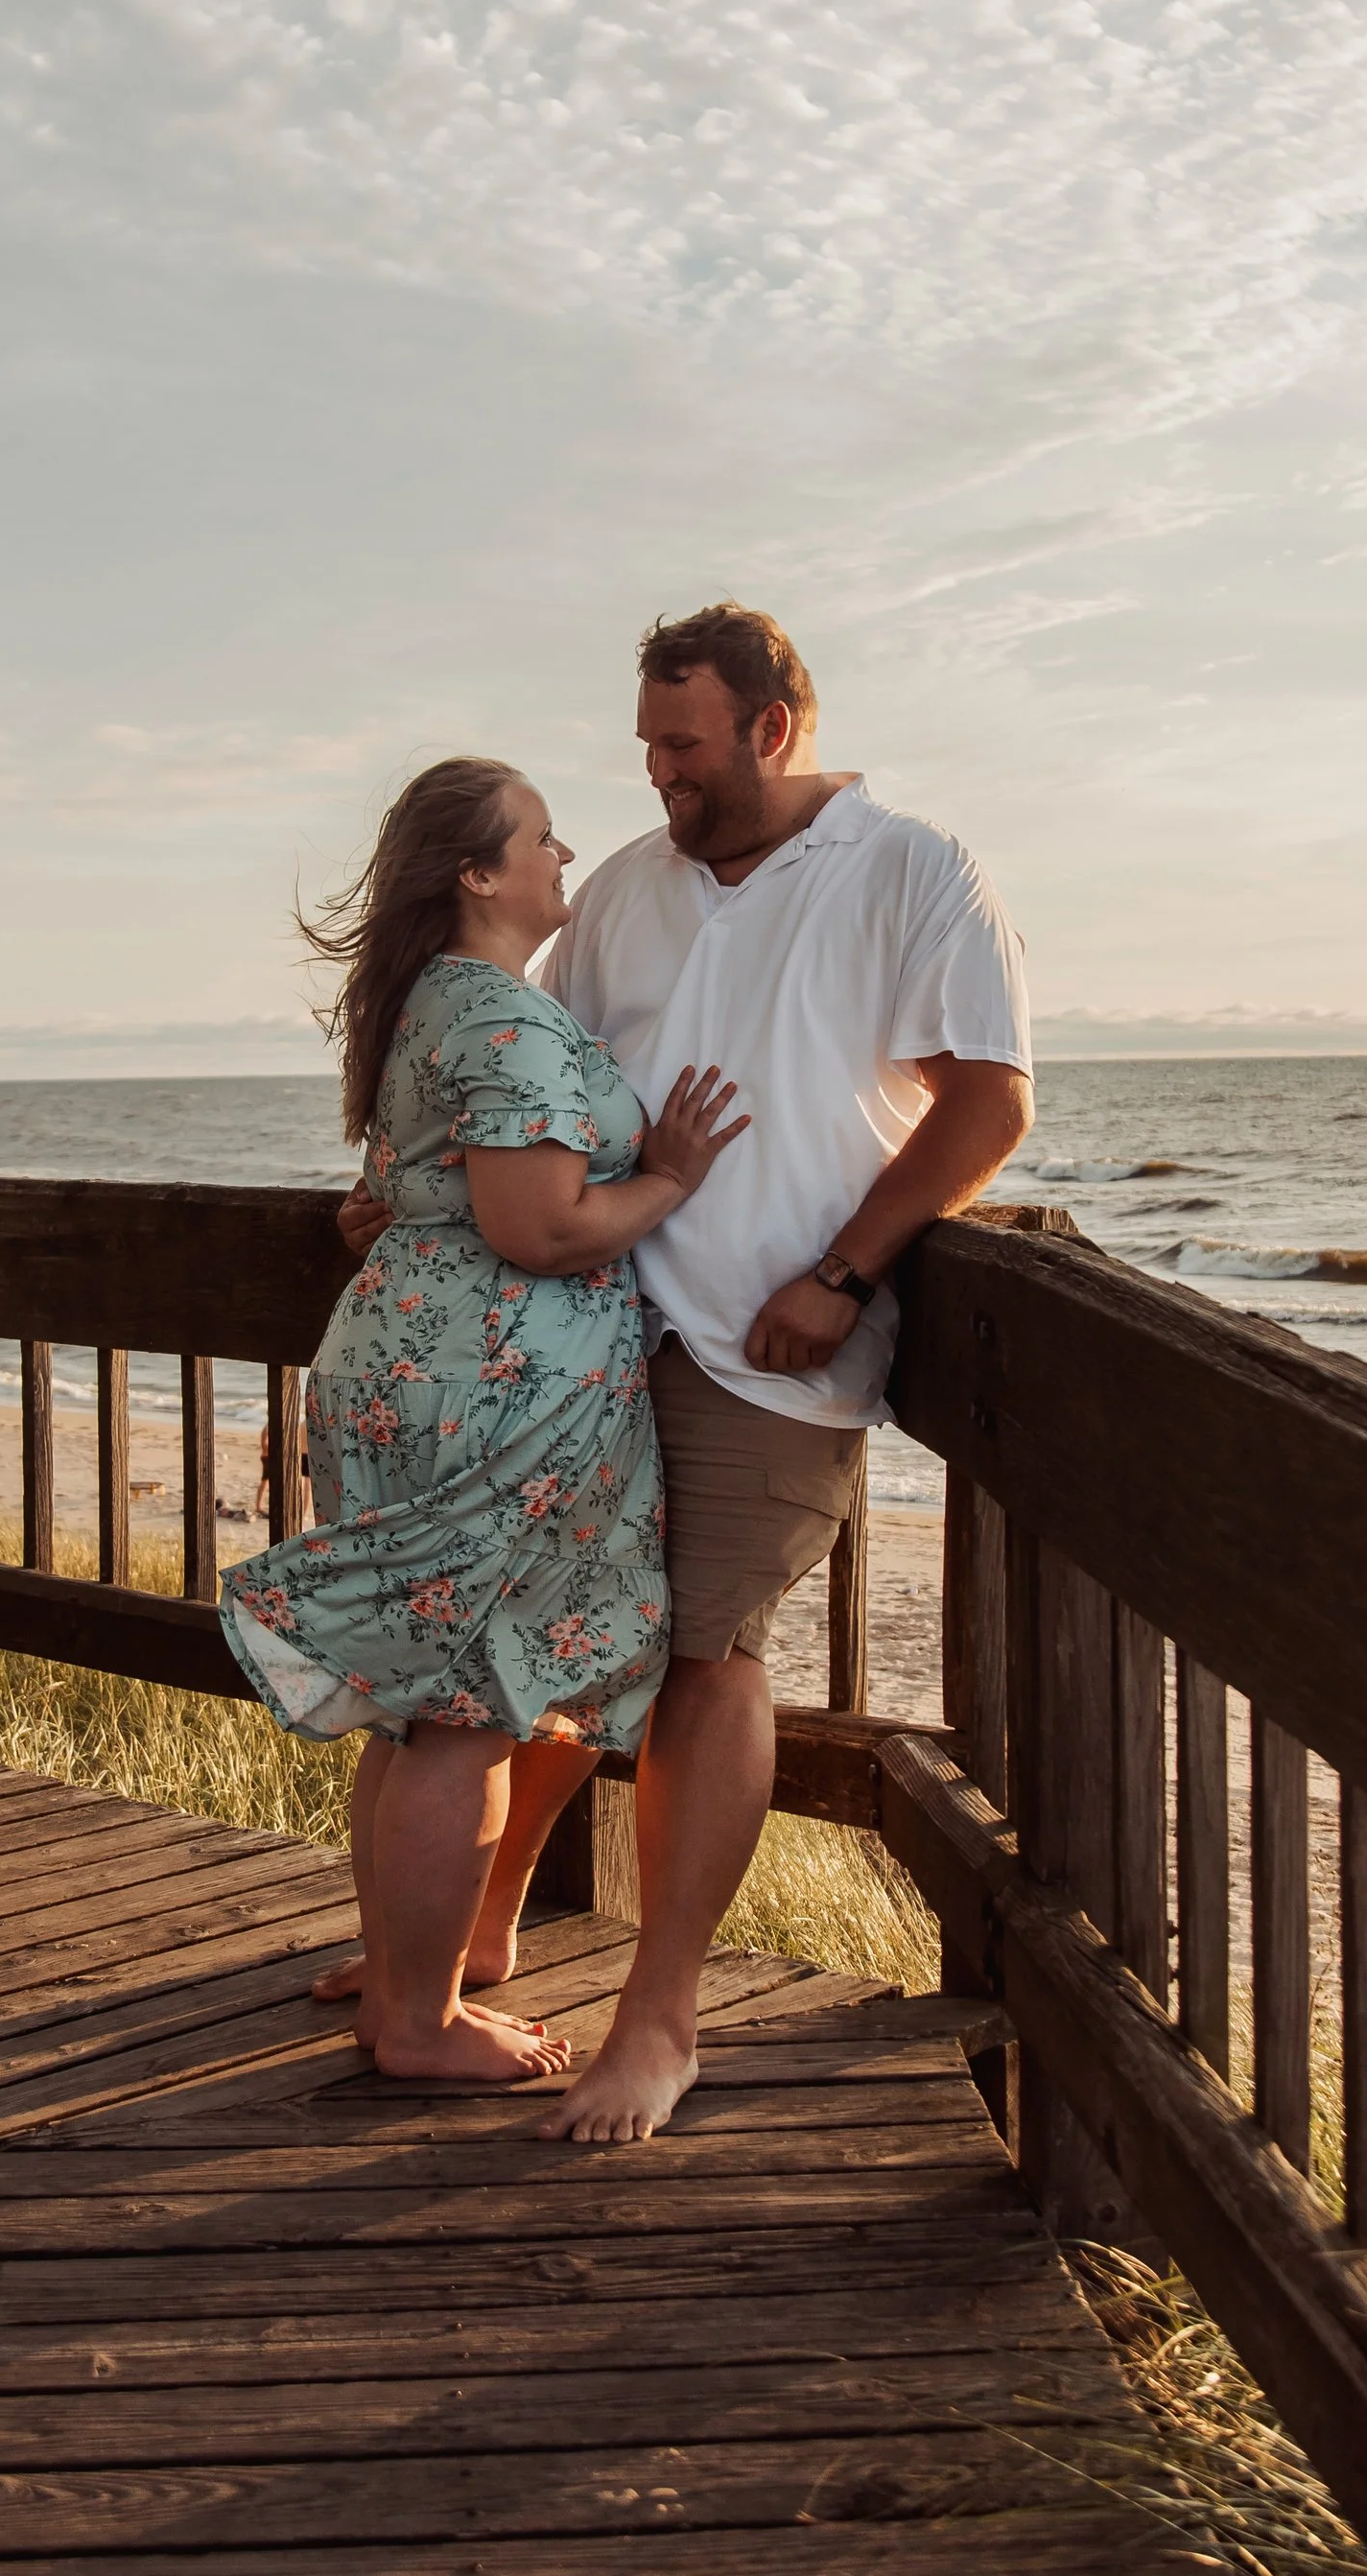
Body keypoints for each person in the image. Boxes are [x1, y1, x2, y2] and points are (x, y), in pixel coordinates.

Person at [341, 606, 1033, 2139]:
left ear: (773, 728)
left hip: (764, 1347)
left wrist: (844, 1273)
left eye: (683, 747)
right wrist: (417, 1189)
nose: (654, 777)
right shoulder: (633, 896)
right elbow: (526, 1074)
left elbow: (987, 1108)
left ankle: (661, 2021)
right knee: (531, 1642)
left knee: (705, 1658)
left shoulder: (911, 867)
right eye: (646, 744)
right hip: (576, 1339)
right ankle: (462, 1935)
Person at [218, 754, 746, 2086]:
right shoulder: (502, 1019)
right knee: (458, 1710)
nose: (566, 858)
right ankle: (415, 2020)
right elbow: (544, 1226)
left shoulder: (432, 1007)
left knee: (421, 1702)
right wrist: (674, 1174)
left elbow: (424, 1195)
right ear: (478, 872)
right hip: (493, 1396)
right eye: (544, 839)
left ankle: (412, 1971)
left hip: (418, 1369)